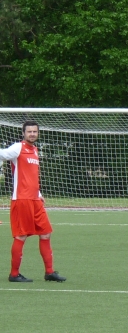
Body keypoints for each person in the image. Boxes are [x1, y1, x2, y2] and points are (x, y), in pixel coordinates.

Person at [1, 121, 65, 283]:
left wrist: (38, 193)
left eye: (34, 132)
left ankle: (49, 272)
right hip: (22, 200)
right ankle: (14, 274)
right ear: (23, 133)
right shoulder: (18, 147)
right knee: (21, 236)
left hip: (35, 199)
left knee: (46, 233)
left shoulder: (35, 150)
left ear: (38, 133)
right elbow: (3, 154)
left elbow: (31, 176)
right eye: (29, 131)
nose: (32, 134)